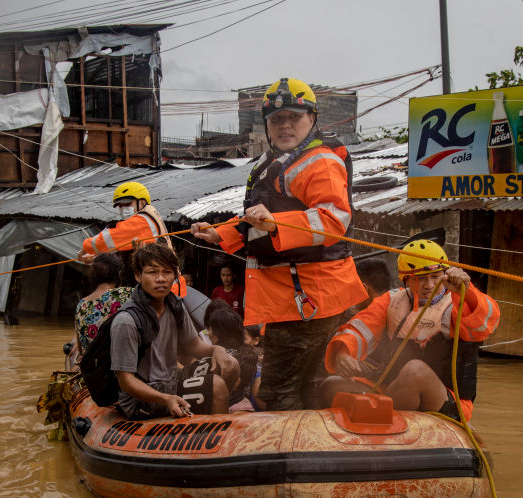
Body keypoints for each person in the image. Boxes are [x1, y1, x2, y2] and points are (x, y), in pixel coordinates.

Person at [191, 77, 366, 411]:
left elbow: (334, 221)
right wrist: (221, 233)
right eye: (276, 119)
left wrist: (276, 223)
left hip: (312, 299)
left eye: (294, 118)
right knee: (304, 387)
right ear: (267, 124)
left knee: (278, 390)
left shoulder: (320, 163)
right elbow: (259, 224)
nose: (285, 126)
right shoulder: (270, 163)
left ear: (311, 119)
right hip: (292, 298)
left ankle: (299, 454)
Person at [321, 239, 500, 421]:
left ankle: (376, 417)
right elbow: (360, 327)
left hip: (443, 398)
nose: (429, 285)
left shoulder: (456, 301)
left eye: (435, 277)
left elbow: (485, 323)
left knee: (414, 371)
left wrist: (467, 291)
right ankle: (379, 413)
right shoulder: (391, 301)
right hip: (396, 390)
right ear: (406, 279)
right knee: (332, 385)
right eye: (421, 279)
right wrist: (343, 353)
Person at [110, 243, 238, 419]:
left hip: (171, 382)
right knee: (216, 386)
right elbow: (126, 381)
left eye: (167, 272)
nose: (161, 278)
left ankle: (211, 410)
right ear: (138, 276)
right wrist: (165, 399)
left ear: (175, 275)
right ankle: (217, 429)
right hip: (141, 399)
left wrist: (218, 349)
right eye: (153, 272)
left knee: (232, 363)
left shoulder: (175, 305)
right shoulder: (126, 321)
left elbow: (194, 345)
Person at [76, 181, 170, 263]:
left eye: (128, 204)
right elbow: (122, 248)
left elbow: (107, 239)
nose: (123, 208)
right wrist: (96, 258)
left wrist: (85, 248)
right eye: (120, 206)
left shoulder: (142, 221)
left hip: (166, 281)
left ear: (142, 202)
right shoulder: (149, 215)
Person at [72, 252, 133, 358]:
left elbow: (81, 350)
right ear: (119, 274)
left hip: (92, 365)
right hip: (119, 362)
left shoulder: (81, 304)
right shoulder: (125, 294)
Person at [206, 306, 258, 411]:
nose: (208, 332)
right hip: (243, 406)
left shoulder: (215, 359)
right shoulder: (246, 353)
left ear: (217, 334)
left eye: (210, 328)